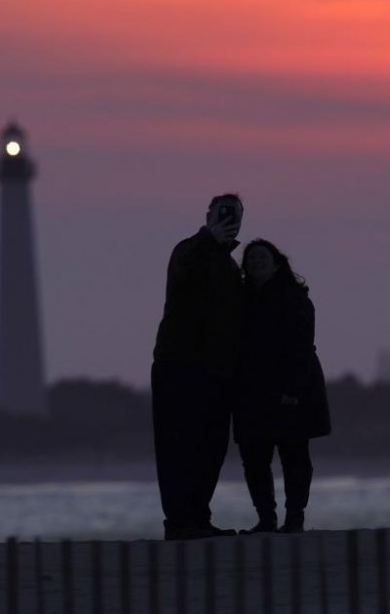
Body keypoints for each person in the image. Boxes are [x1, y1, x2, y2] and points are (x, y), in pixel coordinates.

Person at [151, 193, 246, 540]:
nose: (228, 219)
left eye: (234, 214)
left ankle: (197, 518)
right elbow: (185, 277)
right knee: (178, 447)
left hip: (217, 371)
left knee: (211, 448)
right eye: (222, 213)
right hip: (180, 366)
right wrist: (209, 240)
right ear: (208, 216)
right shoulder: (189, 250)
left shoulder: (230, 266)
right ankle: (180, 522)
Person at [234, 239, 331, 534]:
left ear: (277, 263)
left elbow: (302, 348)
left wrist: (293, 389)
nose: (256, 262)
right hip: (251, 391)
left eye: (262, 257)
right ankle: (266, 518)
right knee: (254, 459)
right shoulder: (238, 300)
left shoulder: (295, 299)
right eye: (251, 258)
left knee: (294, 456)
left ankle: (294, 518)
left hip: (292, 390)